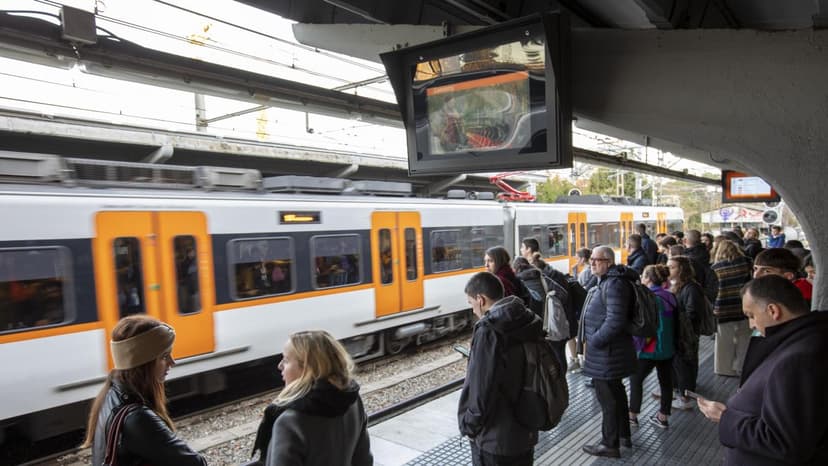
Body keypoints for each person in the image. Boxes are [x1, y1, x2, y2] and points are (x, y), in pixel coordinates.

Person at [697, 275, 828, 465]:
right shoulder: (807, 337)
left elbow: (785, 442)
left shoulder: (799, 358)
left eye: (751, 315)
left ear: (773, 310)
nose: (751, 324)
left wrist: (726, 418)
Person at [83, 315, 207, 466]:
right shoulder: (138, 419)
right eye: (164, 356)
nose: (172, 362)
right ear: (144, 364)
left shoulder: (110, 393)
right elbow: (196, 464)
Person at [251, 330, 373, 466]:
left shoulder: (289, 422)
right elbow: (364, 461)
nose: (280, 366)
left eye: (285, 360)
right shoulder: (353, 402)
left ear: (307, 369)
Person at [459, 271, 543, 466]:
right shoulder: (526, 318)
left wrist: (469, 425)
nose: (472, 310)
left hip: (495, 438)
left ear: (481, 300)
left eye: (471, 303)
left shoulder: (489, 331)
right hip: (525, 428)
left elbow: (482, 389)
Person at [579, 246, 637, 458]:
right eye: (591, 259)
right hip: (610, 352)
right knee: (616, 394)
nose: (592, 263)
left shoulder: (614, 284)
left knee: (608, 400)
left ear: (609, 262)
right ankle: (623, 436)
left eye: (598, 260)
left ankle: (609, 444)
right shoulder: (609, 281)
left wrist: (594, 340)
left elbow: (615, 320)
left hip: (608, 353)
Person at [628, 264, 676, 430]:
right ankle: (663, 417)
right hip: (668, 348)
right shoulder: (670, 297)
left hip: (649, 349)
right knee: (666, 382)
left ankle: (632, 416)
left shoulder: (646, 298)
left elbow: (641, 326)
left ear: (648, 278)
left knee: (636, 380)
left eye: (643, 276)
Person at [667, 256, 706, 411]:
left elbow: (693, 313)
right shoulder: (678, 285)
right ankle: (679, 390)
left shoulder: (691, 288)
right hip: (680, 331)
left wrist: (677, 318)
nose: (668, 270)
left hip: (687, 333)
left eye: (672, 267)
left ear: (682, 269)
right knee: (678, 363)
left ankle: (685, 396)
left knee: (685, 363)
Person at [710, 240, 753, 377]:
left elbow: (713, 290)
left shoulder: (716, 268)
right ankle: (742, 366)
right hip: (743, 306)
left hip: (723, 308)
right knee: (744, 337)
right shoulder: (746, 263)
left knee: (723, 340)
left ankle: (723, 368)